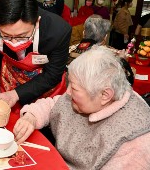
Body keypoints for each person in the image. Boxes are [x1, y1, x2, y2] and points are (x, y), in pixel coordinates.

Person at [13, 46, 150, 169]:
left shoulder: (135, 144)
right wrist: (31, 116)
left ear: (105, 95)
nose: (68, 92)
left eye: (74, 88)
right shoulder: (88, 98)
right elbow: (55, 104)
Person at [0, 0, 71, 112]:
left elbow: (52, 75)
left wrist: (15, 94)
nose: (14, 43)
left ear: (36, 22)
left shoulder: (58, 31)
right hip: (12, 78)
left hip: (45, 85)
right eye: (6, 36)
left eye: (22, 36)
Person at [69, 15, 134, 85]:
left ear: (83, 33)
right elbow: (128, 82)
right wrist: (122, 61)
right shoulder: (110, 57)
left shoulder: (69, 50)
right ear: (105, 37)